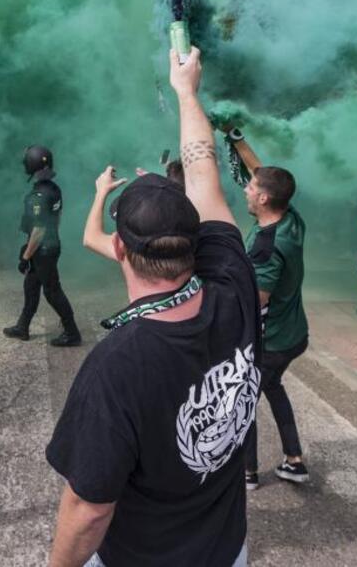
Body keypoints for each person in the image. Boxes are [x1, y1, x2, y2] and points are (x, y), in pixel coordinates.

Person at [47, 48, 259, 567]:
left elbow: (88, 508)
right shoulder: (235, 286)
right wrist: (187, 91)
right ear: (198, 240)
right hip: (227, 552)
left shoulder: (116, 366)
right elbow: (205, 173)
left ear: (120, 248)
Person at [226, 129, 310, 489]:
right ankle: (294, 460)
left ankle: (246, 473)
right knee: (273, 387)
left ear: (262, 198)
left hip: (270, 341)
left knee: (241, 404)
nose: (245, 188)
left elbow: (255, 300)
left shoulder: (265, 247)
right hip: (294, 335)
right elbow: (261, 171)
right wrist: (237, 137)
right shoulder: (290, 217)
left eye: (250, 187)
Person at [3, 145, 82, 347]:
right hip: (50, 246)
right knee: (31, 286)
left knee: (52, 291)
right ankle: (22, 327)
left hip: (42, 250)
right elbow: (57, 218)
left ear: (32, 164)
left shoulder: (37, 196)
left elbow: (38, 230)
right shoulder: (54, 189)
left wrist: (26, 256)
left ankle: (72, 333)